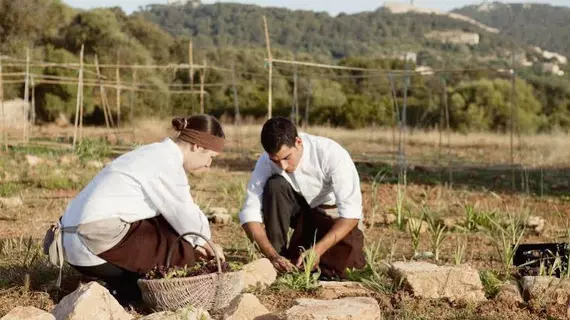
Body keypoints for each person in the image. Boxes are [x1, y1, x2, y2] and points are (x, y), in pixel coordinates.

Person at [43, 114, 226, 305]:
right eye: (211, 157)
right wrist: (207, 244)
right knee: (182, 245)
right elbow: (185, 213)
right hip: (93, 240)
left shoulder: (152, 153)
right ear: (197, 146)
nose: (208, 164)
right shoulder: (166, 162)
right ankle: (164, 293)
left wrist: (199, 241)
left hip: (73, 243)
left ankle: (122, 289)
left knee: (166, 227)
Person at [238, 117, 366, 279]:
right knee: (275, 185)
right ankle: (280, 259)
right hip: (304, 215)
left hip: (333, 217)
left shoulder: (331, 154)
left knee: (341, 269)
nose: (282, 167)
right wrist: (272, 255)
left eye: (286, 158)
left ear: (298, 142)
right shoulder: (266, 160)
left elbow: (350, 214)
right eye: (275, 161)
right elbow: (250, 213)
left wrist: (317, 250)